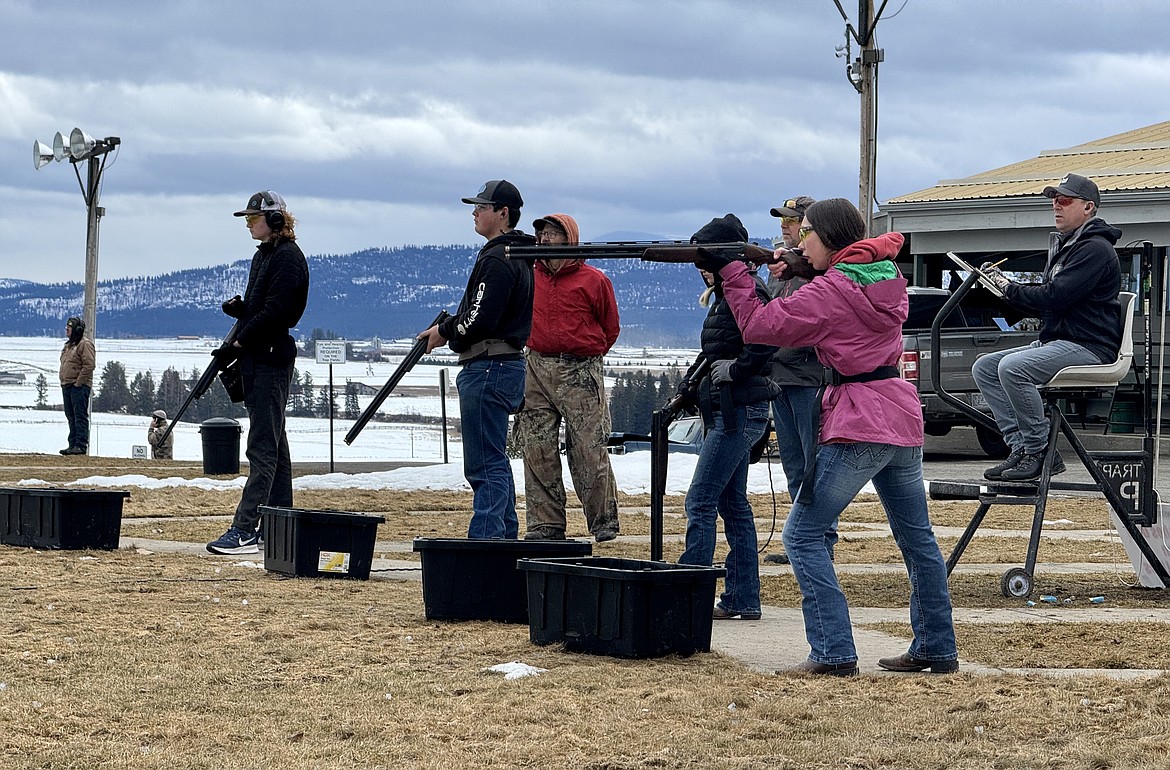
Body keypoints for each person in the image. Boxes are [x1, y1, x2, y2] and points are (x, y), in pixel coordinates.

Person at [705, 198, 958, 675]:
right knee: (917, 540)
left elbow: (761, 327)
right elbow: (839, 295)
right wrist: (797, 270)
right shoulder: (882, 274)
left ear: (827, 237)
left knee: (801, 535)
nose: (799, 241)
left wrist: (735, 275)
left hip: (860, 419)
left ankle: (833, 651)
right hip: (898, 413)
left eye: (806, 234)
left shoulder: (834, 288)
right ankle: (936, 646)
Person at [973, 173, 1122, 482]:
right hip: (1060, 340)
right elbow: (1044, 303)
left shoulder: (1093, 249)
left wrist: (1008, 288)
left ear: (1088, 208)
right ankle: (1020, 449)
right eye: (1054, 199)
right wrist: (1002, 290)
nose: (1056, 205)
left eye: (1065, 200)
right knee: (985, 367)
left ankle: (1041, 453)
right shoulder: (1068, 246)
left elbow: (1053, 298)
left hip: (1089, 345)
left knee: (1013, 369)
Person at [419, 180, 535, 539]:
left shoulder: (498, 259)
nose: (474, 212)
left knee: (484, 465)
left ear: (503, 214)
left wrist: (446, 330)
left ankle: (485, 544)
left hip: (488, 365)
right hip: (504, 365)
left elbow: (480, 318)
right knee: (495, 461)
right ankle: (505, 539)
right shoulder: (518, 255)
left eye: (482, 207)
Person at [676, 214, 776, 621]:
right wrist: (689, 386)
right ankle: (742, 598)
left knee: (700, 500)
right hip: (729, 410)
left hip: (739, 412)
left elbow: (766, 340)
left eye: (707, 259)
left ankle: (688, 593)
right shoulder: (731, 293)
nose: (702, 269)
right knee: (733, 504)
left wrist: (736, 369)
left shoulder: (747, 291)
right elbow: (716, 350)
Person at [207, 191, 310, 555]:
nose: (249, 223)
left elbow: (279, 312)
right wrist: (241, 311)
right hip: (259, 358)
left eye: (254, 217)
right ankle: (278, 525)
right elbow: (263, 308)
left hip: (269, 359)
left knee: (263, 448)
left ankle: (246, 529)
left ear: (276, 220)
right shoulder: (266, 256)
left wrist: (242, 339)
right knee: (276, 447)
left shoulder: (287, 259)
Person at [519, 213, 622, 543]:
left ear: (570, 238)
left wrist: (585, 353)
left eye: (553, 233)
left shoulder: (594, 280)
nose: (546, 239)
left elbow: (610, 328)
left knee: (588, 448)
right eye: (543, 233)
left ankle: (603, 520)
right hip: (536, 367)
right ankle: (544, 525)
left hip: (580, 368)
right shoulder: (529, 277)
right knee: (537, 448)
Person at [761, 195, 832, 566]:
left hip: (809, 377)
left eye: (793, 221)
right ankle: (801, 535)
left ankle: (822, 539)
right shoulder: (778, 270)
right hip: (781, 377)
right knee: (793, 462)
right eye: (784, 221)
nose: (785, 227)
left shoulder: (820, 272)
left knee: (813, 463)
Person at [58, 316, 95, 455]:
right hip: (67, 385)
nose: (67, 329)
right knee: (70, 416)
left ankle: (80, 445)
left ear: (77, 330)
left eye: (70, 327)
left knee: (79, 416)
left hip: (78, 386)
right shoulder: (68, 345)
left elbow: (89, 365)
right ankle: (72, 444)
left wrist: (79, 383)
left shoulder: (84, 344)